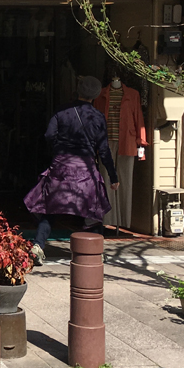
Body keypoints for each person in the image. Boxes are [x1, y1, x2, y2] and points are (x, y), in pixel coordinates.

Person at [24, 75, 119, 253]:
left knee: (49, 209)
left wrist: (58, 149)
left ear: (78, 91)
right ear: (96, 94)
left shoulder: (62, 111)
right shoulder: (98, 117)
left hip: (61, 166)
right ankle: (96, 252)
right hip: (86, 170)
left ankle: (38, 245)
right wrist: (113, 177)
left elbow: (49, 135)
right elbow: (104, 150)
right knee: (94, 211)